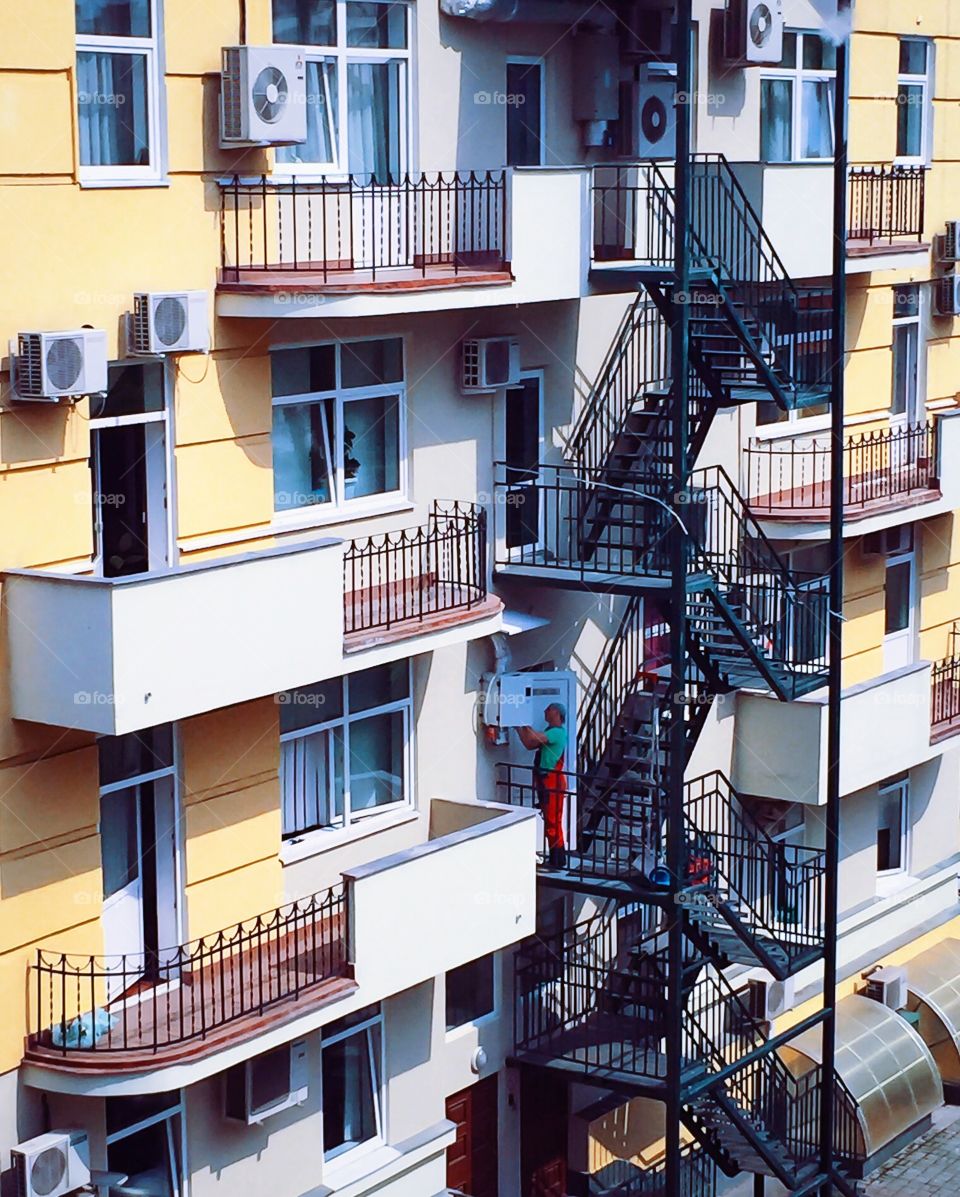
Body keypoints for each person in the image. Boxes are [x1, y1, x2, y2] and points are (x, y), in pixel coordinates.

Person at [517, 703, 568, 868]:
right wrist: (519, 727)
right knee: (550, 819)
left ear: (557, 713)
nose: (545, 711)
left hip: (552, 781)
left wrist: (521, 723)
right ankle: (556, 857)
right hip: (546, 780)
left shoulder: (557, 733)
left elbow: (533, 739)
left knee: (553, 820)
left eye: (549, 708)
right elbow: (529, 743)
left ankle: (558, 859)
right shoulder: (549, 732)